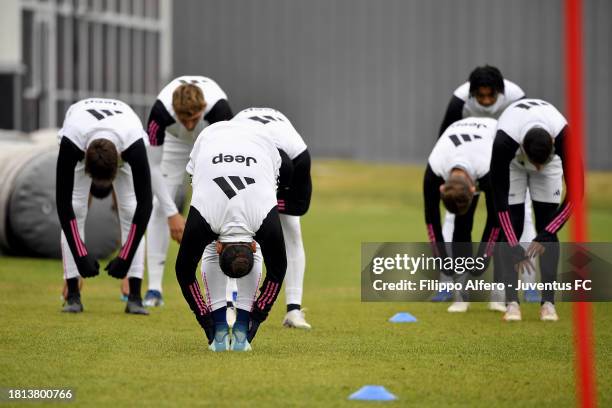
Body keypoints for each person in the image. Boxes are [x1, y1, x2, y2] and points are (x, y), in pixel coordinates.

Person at [175, 119, 287, 351]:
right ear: (255, 247)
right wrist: (258, 316)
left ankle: (234, 329)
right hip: (213, 139)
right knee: (206, 241)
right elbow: (277, 271)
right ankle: (225, 329)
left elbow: (184, 271)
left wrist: (202, 316)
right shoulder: (265, 220)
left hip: (260, 142)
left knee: (203, 245)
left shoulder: (204, 219)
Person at [433, 65, 538, 303]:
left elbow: (529, 135)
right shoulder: (460, 100)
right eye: (480, 96)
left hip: (509, 163)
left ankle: (530, 287)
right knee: (452, 215)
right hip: (470, 165)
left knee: (523, 215)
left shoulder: (516, 98)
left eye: (491, 95)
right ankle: (448, 285)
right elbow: (444, 137)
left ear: (501, 92)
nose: (487, 101)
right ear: (472, 94)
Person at [56, 98, 156, 314]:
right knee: (76, 206)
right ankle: (73, 294)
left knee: (130, 209)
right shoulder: (71, 142)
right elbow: (63, 205)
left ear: (120, 159)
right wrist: (80, 256)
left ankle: (135, 297)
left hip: (123, 130)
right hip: (82, 130)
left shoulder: (134, 145)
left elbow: (145, 206)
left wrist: (125, 257)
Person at [144, 76, 233, 307]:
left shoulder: (220, 110)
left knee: (220, 206)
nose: (189, 125)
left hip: (211, 141)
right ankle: (154, 290)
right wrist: (172, 214)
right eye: (184, 118)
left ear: (202, 109)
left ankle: (229, 289)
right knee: (158, 207)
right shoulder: (160, 112)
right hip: (173, 141)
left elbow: (225, 166)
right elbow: (152, 166)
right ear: (174, 110)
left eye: (193, 118)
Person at [490, 98, 581, 322]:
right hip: (515, 164)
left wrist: (547, 232)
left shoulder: (564, 137)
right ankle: (512, 303)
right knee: (513, 224)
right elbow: (499, 200)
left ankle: (548, 303)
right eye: (535, 163)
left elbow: (576, 194)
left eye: (542, 162)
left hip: (552, 161)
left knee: (546, 225)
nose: (537, 168)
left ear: (552, 142)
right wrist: (513, 243)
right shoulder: (504, 142)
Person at [232, 107, 313, 329]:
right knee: (235, 230)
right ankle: (232, 304)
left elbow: (299, 206)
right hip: (243, 166)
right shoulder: (238, 147)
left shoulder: (300, 155)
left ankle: (294, 311)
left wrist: (271, 204)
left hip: (278, 155)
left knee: (293, 228)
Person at [424, 117, 501, 312]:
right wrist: (443, 260)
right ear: (441, 188)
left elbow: (495, 219)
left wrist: (484, 258)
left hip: (496, 140)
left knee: (508, 225)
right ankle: (461, 296)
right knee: (462, 226)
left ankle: (500, 296)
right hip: (462, 149)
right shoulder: (434, 169)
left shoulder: (488, 169)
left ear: (475, 189)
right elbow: (431, 221)